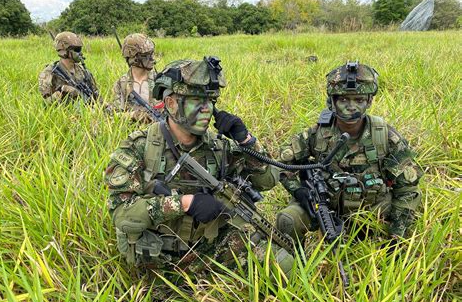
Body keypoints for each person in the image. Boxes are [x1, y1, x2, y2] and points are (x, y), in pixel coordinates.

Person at [105, 58, 294, 280]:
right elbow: (121, 214)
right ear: (171, 103)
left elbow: (268, 180)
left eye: (211, 101)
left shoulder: (217, 146)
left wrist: (246, 141)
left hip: (208, 247)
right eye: (197, 101)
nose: (207, 110)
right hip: (159, 258)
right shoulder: (141, 147)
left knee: (283, 266)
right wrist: (185, 204)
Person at [277, 61, 423, 243]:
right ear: (332, 101)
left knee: (408, 217)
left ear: (369, 101)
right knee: (288, 220)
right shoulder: (317, 133)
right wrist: (299, 191)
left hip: (373, 210)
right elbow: (283, 163)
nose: (351, 106)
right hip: (325, 206)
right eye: (344, 99)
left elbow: (407, 189)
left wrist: (396, 237)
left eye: (359, 100)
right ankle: (298, 262)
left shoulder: (385, 136)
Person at [110, 33, 162, 124]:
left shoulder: (160, 80)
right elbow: (114, 115)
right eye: (147, 55)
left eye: (152, 54)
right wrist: (134, 115)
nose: (152, 59)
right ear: (134, 58)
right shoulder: (121, 84)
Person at [38, 31, 100, 104]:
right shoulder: (49, 72)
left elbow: (97, 96)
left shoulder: (83, 71)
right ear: (64, 51)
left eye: (80, 49)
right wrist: (62, 91)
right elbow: (45, 102)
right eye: (76, 50)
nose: (80, 53)